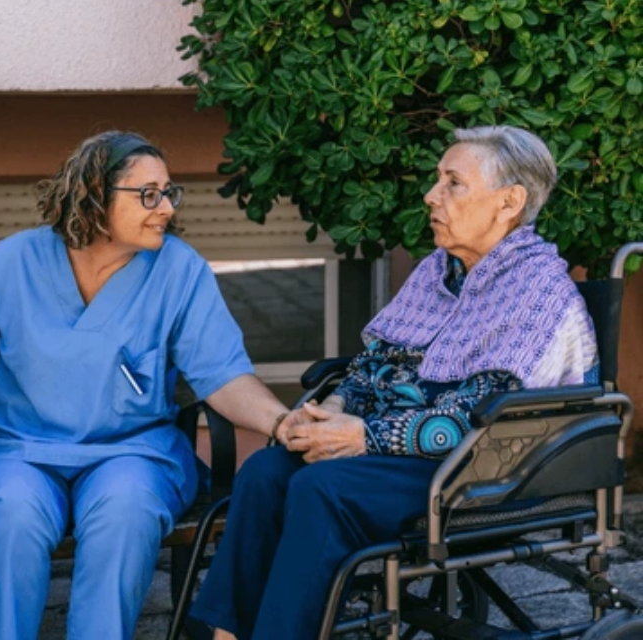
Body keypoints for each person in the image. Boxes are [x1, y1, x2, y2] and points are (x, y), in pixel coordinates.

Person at [190, 125, 599, 640]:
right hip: (401, 455)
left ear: (509, 202)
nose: (432, 195)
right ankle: (226, 636)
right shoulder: (438, 271)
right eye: (437, 181)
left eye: (453, 182)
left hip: (488, 467)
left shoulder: (539, 291)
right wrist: (326, 412)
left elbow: (481, 417)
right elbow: (376, 363)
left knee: (323, 488)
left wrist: (361, 436)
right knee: (268, 469)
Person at [0, 131, 292, 640]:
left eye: (168, 193)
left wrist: (282, 422)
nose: (165, 207)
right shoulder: (13, 263)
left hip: (131, 453)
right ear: (95, 193)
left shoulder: (178, 270)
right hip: (20, 452)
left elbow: (222, 373)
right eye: (148, 194)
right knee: (7, 516)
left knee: (126, 511)